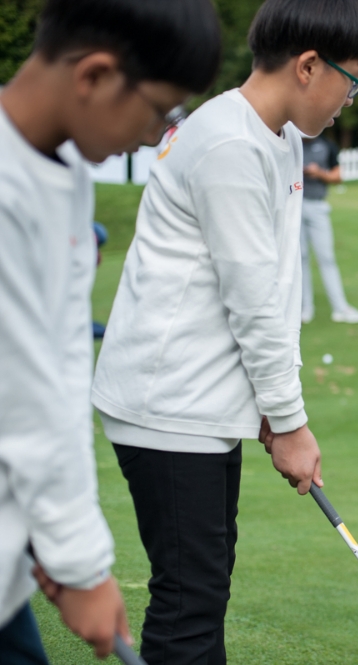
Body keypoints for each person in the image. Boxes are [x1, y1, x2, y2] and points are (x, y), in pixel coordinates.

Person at [89, 0, 358, 662]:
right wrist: (290, 421)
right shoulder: (228, 142)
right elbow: (252, 300)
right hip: (168, 403)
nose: (351, 99)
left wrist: (276, 409)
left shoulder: (278, 137)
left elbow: (274, 287)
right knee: (189, 602)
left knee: (204, 585)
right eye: (352, 80)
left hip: (202, 404)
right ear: (309, 65)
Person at [0, 0, 221, 661]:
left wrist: (60, 547)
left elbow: (65, 367)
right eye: (160, 111)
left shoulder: (66, 175)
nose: (158, 137)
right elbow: (22, 397)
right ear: (94, 75)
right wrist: (81, 564)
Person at [300, 133, 358, 324]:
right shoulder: (290, 141)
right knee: (300, 258)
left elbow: (337, 176)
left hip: (318, 205)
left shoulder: (327, 145)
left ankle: (340, 308)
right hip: (293, 206)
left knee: (326, 258)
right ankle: (305, 309)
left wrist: (319, 173)